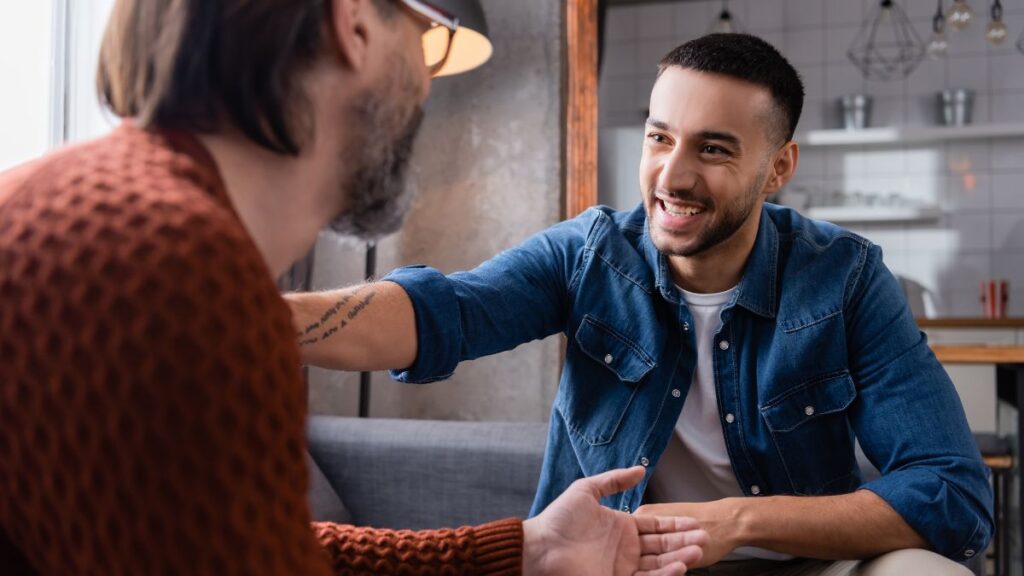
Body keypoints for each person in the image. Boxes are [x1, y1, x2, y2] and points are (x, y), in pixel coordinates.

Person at [0, 0, 710, 574]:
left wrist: (524, 551)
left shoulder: (83, 206)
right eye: (429, 43)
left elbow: (262, 542)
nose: (428, 83)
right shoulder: (175, 270)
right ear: (356, 25)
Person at [287, 34, 994, 575]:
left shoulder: (845, 278)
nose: (673, 176)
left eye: (713, 149)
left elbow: (953, 492)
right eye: (660, 138)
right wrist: (252, 316)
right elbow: (445, 313)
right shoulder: (590, 253)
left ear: (778, 168)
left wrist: (737, 522)